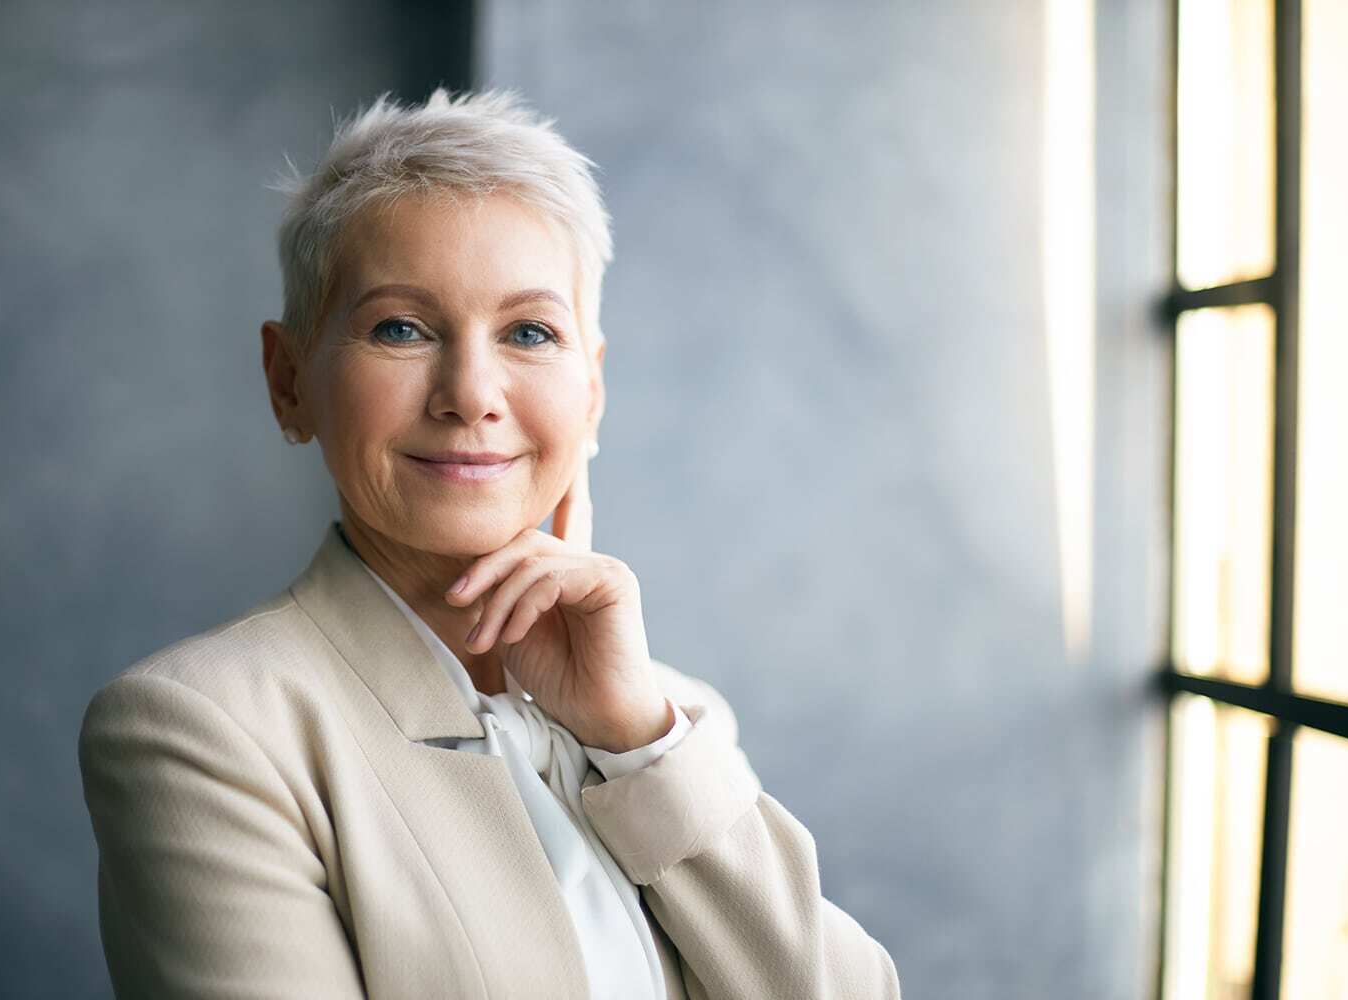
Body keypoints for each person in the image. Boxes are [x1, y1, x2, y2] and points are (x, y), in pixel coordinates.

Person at [77, 87, 901, 1000]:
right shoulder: (201, 728)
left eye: (529, 332)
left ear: (590, 392)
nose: (470, 393)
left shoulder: (671, 719)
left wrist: (635, 744)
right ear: (289, 382)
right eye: (400, 327)